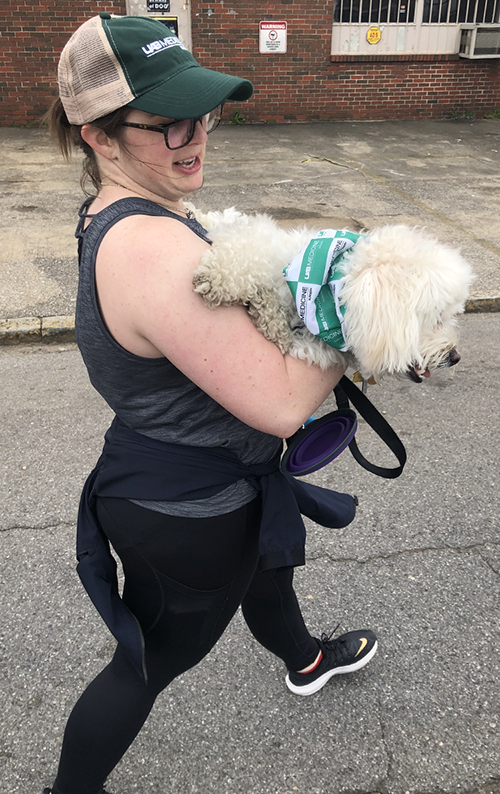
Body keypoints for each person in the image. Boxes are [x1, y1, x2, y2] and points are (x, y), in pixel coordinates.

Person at [43, 13, 377, 794]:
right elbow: (281, 403)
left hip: (208, 483)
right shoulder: (148, 246)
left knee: (267, 571)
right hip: (190, 507)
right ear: (99, 135)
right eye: (169, 124)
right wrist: (370, 323)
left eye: (205, 113)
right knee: (150, 662)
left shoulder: (139, 209)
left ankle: (306, 661)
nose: (196, 137)